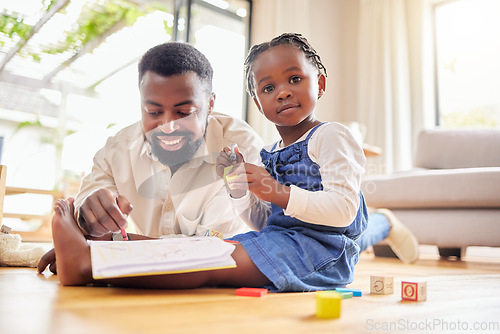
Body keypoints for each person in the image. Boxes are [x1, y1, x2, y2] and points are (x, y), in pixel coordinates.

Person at [46, 33, 418, 292]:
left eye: (294, 79)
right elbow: (262, 219)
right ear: (258, 101)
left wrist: (274, 189)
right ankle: (384, 222)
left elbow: (341, 213)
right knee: (220, 253)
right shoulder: (270, 150)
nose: (168, 126)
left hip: (314, 245)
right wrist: (240, 189)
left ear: (319, 84)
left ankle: (87, 267)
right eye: (268, 87)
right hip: (288, 237)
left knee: (214, 260)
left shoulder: (321, 137)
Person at [37, 42, 264, 274]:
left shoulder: (239, 151)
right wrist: (88, 220)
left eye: (184, 113)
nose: (167, 127)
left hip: (218, 288)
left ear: (210, 104)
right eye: (153, 112)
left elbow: (209, 250)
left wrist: (103, 248)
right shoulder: (117, 151)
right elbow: (82, 215)